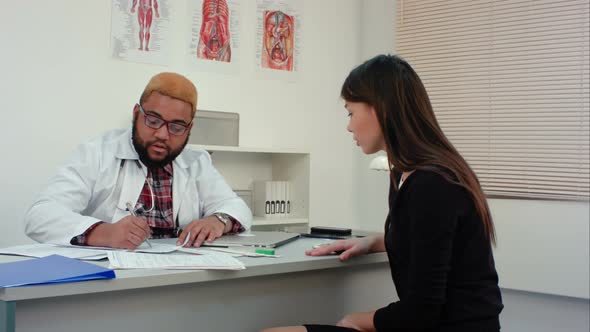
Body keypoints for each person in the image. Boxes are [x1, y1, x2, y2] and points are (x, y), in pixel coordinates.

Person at [262, 55, 503, 332]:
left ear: (381, 109)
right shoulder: (406, 174)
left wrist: (359, 320)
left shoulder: (433, 184)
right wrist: (373, 242)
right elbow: (430, 244)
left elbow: (421, 312)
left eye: (351, 112)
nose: (349, 126)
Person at [24, 72, 252, 250]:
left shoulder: (196, 162)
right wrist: (104, 233)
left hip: (179, 279)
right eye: (153, 120)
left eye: (176, 127)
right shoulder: (97, 152)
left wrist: (219, 220)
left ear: (189, 129)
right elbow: (40, 216)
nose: (163, 134)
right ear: (136, 114)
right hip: (110, 283)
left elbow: (236, 207)